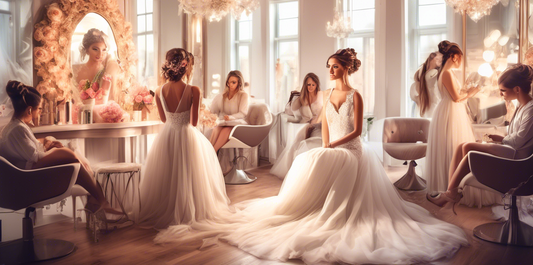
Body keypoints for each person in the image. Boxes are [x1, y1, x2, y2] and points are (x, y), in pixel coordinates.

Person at [154, 49, 468, 264]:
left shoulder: (355, 95)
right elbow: (329, 125)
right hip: (332, 147)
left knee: (340, 177)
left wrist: (336, 146)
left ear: (345, 68)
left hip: (353, 151)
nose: (330, 70)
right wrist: (326, 145)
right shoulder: (329, 95)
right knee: (309, 161)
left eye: (334, 67)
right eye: (329, 66)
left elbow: (356, 130)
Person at [136, 48, 231, 229]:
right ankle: (189, 211)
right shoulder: (193, 90)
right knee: (188, 173)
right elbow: (194, 122)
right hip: (187, 135)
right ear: (185, 66)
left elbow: (164, 119)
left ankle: (168, 210)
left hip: (168, 135)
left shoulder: (158, 90)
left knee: (168, 173)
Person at [0, 80, 121, 217]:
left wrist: (48, 144)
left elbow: (31, 150)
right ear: (29, 110)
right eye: (39, 109)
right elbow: (34, 156)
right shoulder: (18, 129)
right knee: (72, 157)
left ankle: (97, 201)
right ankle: (101, 202)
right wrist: (53, 149)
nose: (39, 113)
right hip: (28, 180)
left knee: (75, 160)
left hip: (24, 177)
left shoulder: (12, 127)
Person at [428, 64, 533, 207]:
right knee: (462, 146)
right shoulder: (521, 106)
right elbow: (515, 134)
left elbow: (518, 141)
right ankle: (452, 191)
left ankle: (452, 193)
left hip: (519, 158)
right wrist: (498, 138)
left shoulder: (530, 110)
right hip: (513, 151)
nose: (501, 94)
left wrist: (501, 140)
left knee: (469, 149)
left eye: (503, 90)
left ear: (517, 89)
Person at [423, 41, 480, 192]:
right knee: (453, 145)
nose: (461, 61)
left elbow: (457, 95)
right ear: (454, 56)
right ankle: (452, 187)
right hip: (450, 111)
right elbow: (455, 97)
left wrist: (466, 91)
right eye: (460, 57)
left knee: (452, 145)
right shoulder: (446, 73)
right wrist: (472, 92)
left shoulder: (447, 73)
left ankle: (450, 184)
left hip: (451, 110)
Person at [270, 72, 323, 179]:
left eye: (313, 84)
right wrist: (297, 97)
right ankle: (296, 171)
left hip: (320, 125)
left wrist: (317, 120)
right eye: (308, 84)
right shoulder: (302, 98)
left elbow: (325, 111)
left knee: (315, 143)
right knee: (297, 144)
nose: (311, 87)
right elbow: (290, 110)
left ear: (317, 85)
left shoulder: (321, 95)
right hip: (306, 126)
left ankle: (313, 171)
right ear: (305, 85)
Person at [73, 28, 120, 105]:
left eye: (104, 50)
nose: (100, 54)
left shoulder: (106, 71)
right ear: (87, 49)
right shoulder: (75, 70)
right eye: (95, 49)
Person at [208, 70, 249, 153]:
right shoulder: (224, 95)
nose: (230, 85)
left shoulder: (243, 95)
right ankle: (209, 151)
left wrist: (230, 117)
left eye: (233, 82)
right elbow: (215, 110)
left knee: (226, 130)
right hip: (226, 122)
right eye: (229, 82)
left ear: (239, 83)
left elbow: (243, 113)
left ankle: (213, 152)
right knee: (216, 128)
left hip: (238, 124)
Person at [411, 52, 442, 118]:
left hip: (425, 109)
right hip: (433, 108)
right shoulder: (434, 74)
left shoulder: (421, 74)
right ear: (433, 57)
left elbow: (413, 95)